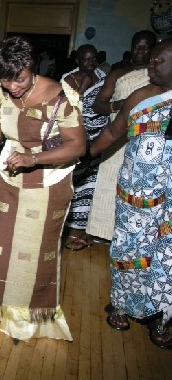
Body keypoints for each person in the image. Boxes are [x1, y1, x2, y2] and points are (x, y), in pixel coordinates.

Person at [0, 35, 85, 342]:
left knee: (31, 254)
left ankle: (23, 320)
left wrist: (33, 158)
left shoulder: (61, 97)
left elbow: (77, 147)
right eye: (6, 80)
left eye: (20, 80)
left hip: (47, 185)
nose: (13, 87)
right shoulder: (3, 94)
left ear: (33, 68)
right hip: (10, 181)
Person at [90, 38, 172, 349]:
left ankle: (162, 320)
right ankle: (122, 305)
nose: (151, 64)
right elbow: (113, 132)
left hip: (170, 203)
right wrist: (84, 156)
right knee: (128, 252)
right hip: (135, 197)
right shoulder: (140, 97)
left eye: (159, 60)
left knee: (166, 262)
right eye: (151, 59)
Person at [87, 30, 157, 242]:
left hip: (143, 140)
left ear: (153, 50)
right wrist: (120, 105)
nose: (140, 51)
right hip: (114, 136)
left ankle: (127, 236)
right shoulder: (118, 73)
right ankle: (100, 232)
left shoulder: (157, 77)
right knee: (107, 183)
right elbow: (98, 104)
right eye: (137, 46)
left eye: (145, 47)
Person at [61, 44, 108, 250]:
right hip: (78, 134)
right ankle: (67, 222)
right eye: (86, 60)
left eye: (93, 59)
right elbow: (67, 107)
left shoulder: (105, 77)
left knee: (93, 182)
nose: (90, 64)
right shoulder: (68, 79)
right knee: (75, 178)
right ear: (77, 61)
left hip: (101, 135)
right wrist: (83, 86)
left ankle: (86, 225)